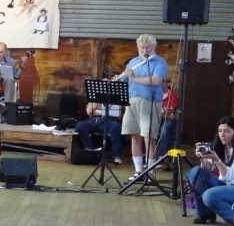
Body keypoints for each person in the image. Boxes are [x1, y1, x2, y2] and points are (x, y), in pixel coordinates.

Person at [186, 116, 234, 225]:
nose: (222, 135)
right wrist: (202, 158)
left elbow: (231, 176)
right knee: (196, 172)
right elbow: (207, 169)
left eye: (227, 131)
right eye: (220, 131)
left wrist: (217, 160)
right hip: (225, 185)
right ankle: (205, 214)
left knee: (209, 196)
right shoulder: (220, 147)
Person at [119, 34, 168, 179]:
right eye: (141, 47)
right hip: (132, 101)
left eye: (147, 47)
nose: (144, 50)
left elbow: (157, 80)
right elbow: (126, 79)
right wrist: (122, 77)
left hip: (150, 101)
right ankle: (138, 171)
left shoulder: (159, 62)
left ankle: (150, 173)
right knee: (135, 136)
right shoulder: (133, 61)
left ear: (153, 47)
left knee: (149, 137)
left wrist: (134, 78)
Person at [75, 101, 123, 165]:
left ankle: (116, 155)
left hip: (109, 120)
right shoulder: (94, 97)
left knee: (116, 126)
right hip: (93, 120)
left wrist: (97, 111)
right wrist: (95, 102)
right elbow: (89, 112)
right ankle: (91, 152)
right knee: (80, 126)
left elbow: (118, 114)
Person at [157, 80, 180, 170]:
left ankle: (163, 157)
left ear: (166, 83)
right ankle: (149, 158)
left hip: (168, 119)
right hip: (157, 119)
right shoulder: (155, 94)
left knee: (165, 129)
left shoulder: (173, 95)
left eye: (162, 82)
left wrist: (163, 113)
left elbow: (172, 115)